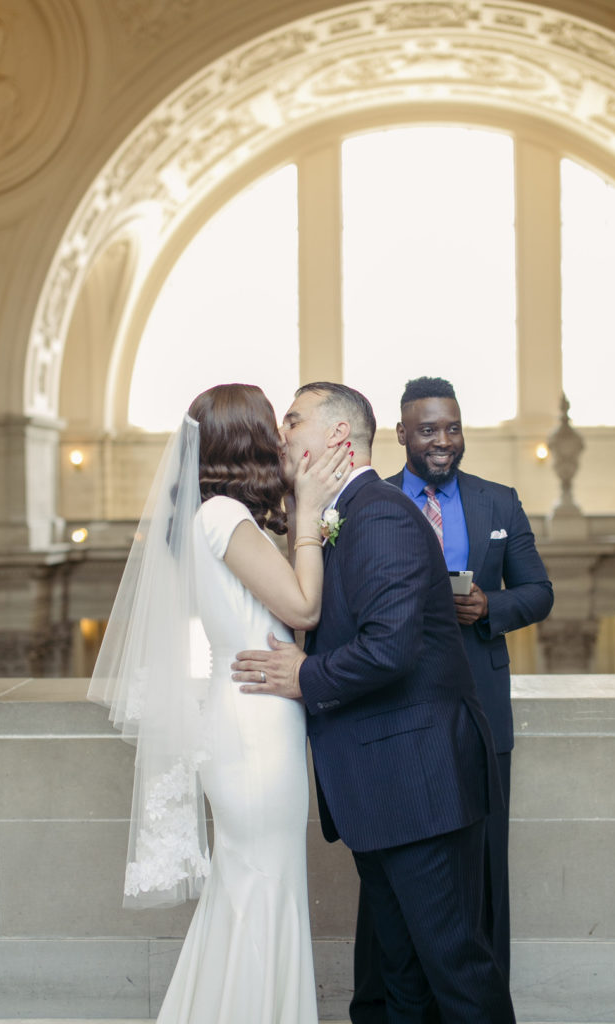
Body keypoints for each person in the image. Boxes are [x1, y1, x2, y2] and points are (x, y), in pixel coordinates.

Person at [232, 382, 516, 1024]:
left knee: (457, 971)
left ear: (337, 436)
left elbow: (391, 647)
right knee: (401, 979)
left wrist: (306, 674)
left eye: (294, 421)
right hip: (387, 789)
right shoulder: (340, 517)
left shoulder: (380, 513)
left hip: (421, 785)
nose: (282, 434)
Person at [88, 383, 352, 1024]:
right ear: (248, 440)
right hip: (255, 729)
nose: (283, 436)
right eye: (273, 424)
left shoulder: (221, 517)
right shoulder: (224, 517)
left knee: (254, 888)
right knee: (262, 888)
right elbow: (303, 609)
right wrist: (312, 512)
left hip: (250, 718)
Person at [350, 375, 554, 1022]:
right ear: (402, 434)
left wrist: (487, 606)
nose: (443, 441)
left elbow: (538, 592)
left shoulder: (498, 503)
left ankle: (478, 1007)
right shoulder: (364, 504)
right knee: (388, 874)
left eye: (452, 427)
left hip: (478, 715)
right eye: (428, 429)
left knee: (481, 871)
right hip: (391, 713)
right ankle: (387, 1006)